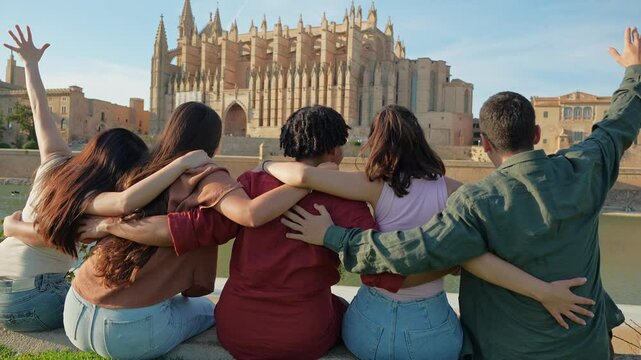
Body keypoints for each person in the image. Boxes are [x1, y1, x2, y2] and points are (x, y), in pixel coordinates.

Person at [280, 27, 640, 359]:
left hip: (501, 350)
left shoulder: (478, 201)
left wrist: (334, 237)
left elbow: (413, 249)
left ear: (483, 143)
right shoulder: (587, 167)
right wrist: (633, 71)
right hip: (586, 348)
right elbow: (618, 124)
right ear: (536, 135)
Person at [263, 105, 595, 360]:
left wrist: (264, 164)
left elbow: (302, 176)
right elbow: (481, 257)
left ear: (377, 143)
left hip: (366, 329)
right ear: (420, 139)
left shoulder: (370, 185)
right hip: (431, 332)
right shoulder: (458, 192)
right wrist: (543, 290)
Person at [80, 106, 401, 359]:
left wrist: (114, 225)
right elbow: (377, 265)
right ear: (334, 152)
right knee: (342, 310)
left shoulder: (250, 182)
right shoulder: (343, 194)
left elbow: (193, 229)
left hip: (235, 329)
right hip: (302, 338)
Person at [0, 26, 211, 332]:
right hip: (30, 300)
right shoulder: (91, 198)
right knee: (90, 300)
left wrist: (30, 64)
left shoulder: (54, 163)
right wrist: (182, 162)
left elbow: (38, 110)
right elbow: (126, 200)